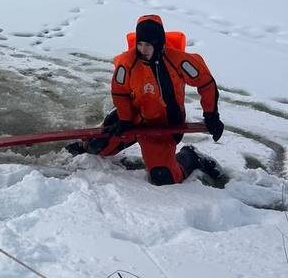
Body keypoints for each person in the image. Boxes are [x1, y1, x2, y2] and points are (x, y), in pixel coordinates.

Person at [67, 15, 225, 185]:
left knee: (163, 177)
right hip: (132, 117)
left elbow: (206, 83)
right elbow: (120, 92)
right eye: (140, 44)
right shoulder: (127, 62)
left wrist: (211, 116)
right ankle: (84, 146)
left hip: (163, 125)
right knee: (96, 146)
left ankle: (191, 156)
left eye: (148, 45)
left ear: (159, 44)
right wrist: (126, 119)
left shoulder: (179, 60)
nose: (143, 49)